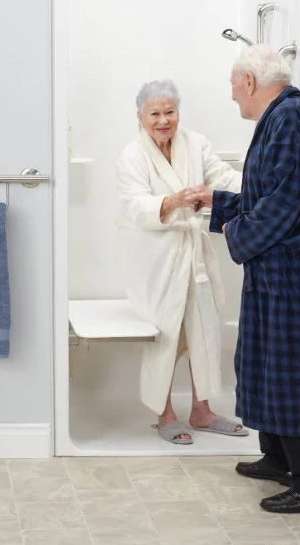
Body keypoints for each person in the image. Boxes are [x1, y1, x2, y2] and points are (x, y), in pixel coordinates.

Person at [192, 45, 300, 512]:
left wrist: (234, 231)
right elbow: (266, 197)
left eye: (233, 87)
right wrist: (216, 202)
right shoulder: (281, 118)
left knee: (293, 367)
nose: (233, 97)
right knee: (264, 359)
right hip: (279, 261)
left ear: (250, 82)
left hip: (296, 267)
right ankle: (278, 458)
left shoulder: (291, 119)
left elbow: (286, 202)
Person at [115, 79, 248, 444]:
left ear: (178, 113)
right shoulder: (132, 156)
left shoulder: (195, 144)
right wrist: (172, 201)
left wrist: (262, 181)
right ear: (140, 116)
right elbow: (132, 204)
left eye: (169, 112)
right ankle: (165, 414)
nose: (163, 120)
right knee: (166, 336)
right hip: (155, 258)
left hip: (192, 254)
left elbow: (222, 177)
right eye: (155, 113)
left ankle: (202, 411)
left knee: (203, 330)